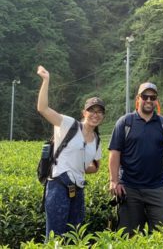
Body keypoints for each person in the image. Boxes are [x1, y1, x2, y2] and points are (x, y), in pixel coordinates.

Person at [108, 82, 163, 235]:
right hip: (129, 188)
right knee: (128, 235)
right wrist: (114, 180)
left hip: (157, 188)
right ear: (138, 98)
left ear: (156, 100)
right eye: (145, 96)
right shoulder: (125, 122)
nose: (149, 100)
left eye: (153, 97)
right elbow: (114, 153)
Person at [37, 65, 104, 238]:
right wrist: (46, 80)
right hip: (58, 186)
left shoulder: (97, 141)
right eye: (92, 111)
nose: (95, 115)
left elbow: (95, 167)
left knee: (75, 236)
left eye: (100, 112)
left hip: (78, 189)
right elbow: (43, 109)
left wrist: (79, 167)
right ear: (84, 112)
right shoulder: (69, 125)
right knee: (56, 237)